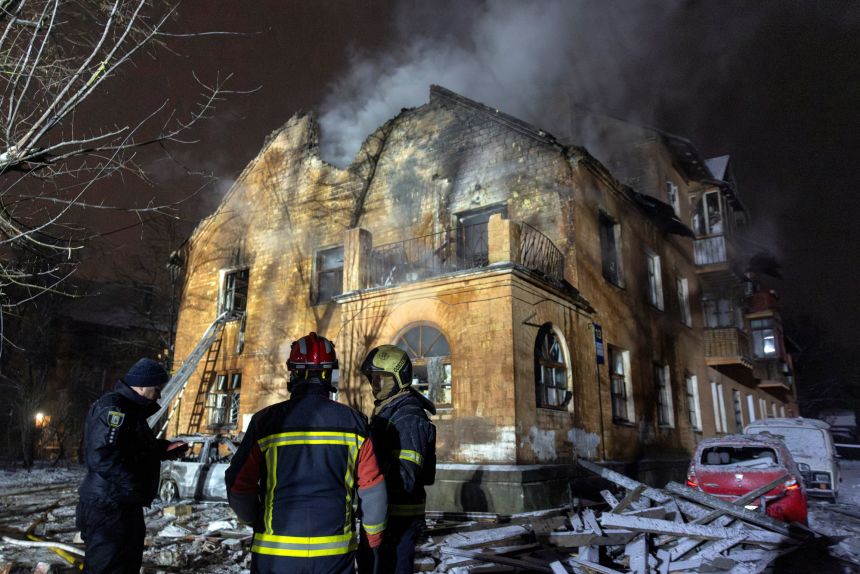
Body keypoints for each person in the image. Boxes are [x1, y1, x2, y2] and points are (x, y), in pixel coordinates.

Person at [226, 332, 387, 574]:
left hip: (276, 555)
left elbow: (238, 484)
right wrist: (373, 542)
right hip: (334, 555)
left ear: (293, 372)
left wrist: (255, 520)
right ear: (330, 374)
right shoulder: (355, 423)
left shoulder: (265, 422)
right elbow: (373, 490)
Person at [76, 358, 188, 574]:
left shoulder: (129, 411)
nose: (159, 395)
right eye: (157, 389)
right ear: (143, 385)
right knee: (106, 568)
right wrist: (133, 484)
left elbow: (130, 449)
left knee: (125, 567)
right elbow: (103, 456)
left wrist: (163, 449)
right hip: (108, 507)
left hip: (122, 505)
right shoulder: (114, 409)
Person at [358, 345, 436, 574]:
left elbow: (406, 478)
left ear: (398, 379)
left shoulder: (408, 417)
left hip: (397, 520)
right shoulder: (389, 411)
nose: (375, 386)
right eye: (373, 380)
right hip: (383, 516)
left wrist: (370, 485)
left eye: (381, 380)